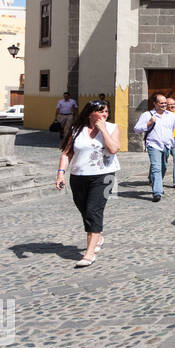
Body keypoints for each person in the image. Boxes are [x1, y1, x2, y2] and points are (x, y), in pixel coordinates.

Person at [56, 99, 121, 267]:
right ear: (90, 113)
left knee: (94, 211)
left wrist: (103, 130)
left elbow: (113, 149)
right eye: (101, 111)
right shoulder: (76, 130)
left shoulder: (113, 128)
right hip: (79, 176)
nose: (104, 114)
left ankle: (89, 253)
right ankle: (97, 235)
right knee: (85, 210)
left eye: (106, 111)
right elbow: (67, 153)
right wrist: (61, 173)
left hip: (105, 176)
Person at [133, 93, 175, 202]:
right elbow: (136, 129)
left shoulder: (172, 116)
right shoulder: (147, 115)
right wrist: (148, 124)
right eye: (161, 103)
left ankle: (157, 184)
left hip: (167, 145)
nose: (164, 105)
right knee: (156, 167)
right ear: (155, 103)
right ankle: (157, 192)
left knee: (163, 166)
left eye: (165, 103)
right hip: (153, 145)